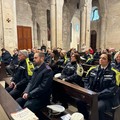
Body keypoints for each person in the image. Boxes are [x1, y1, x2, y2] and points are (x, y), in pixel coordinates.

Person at [77, 52, 120, 120]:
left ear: (108, 61)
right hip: (92, 94)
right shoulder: (93, 69)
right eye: (100, 58)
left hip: (106, 98)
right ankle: (87, 117)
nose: (101, 59)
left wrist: (97, 95)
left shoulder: (114, 73)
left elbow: (112, 89)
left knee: (98, 107)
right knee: (79, 101)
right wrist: (88, 91)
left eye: (104, 58)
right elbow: (86, 80)